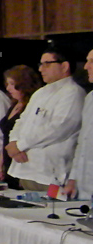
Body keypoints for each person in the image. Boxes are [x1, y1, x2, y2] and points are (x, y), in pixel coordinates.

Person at [6, 46, 85, 192]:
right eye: (40, 64)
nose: (41, 69)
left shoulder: (72, 93)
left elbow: (58, 129)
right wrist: (13, 142)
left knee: (47, 212)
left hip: (50, 175)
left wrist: (21, 145)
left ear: (65, 66)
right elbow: (21, 121)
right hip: (26, 170)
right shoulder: (40, 93)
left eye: (47, 64)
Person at [0, 64, 40, 189]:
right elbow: (6, 138)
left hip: (21, 159)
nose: (8, 88)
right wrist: (0, 164)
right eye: (7, 84)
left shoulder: (30, 106)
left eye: (11, 84)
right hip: (8, 158)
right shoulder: (13, 105)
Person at [66, 49, 93, 200]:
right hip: (84, 187)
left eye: (92, 61)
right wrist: (73, 178)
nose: (86, 66)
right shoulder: (90, 98)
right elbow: (83, 143)